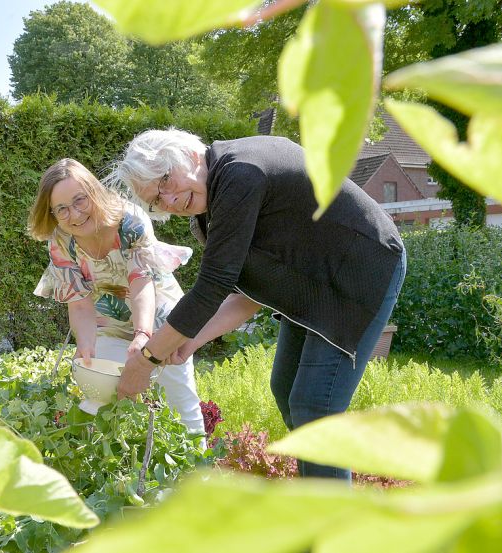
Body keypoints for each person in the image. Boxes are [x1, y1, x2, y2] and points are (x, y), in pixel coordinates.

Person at [105, 129, 407, 480]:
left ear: (187, 156)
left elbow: (212, 286)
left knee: (314, 405)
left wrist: (146, 362)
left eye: (165, 182)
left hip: (362, 268)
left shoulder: (239, 174)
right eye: (157, 201)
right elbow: (246, 295)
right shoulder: (210, 206)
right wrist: (190, 340)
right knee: (287, 388)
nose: (169, 201)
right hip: (313, 281)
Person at [28, 158, 205, 436]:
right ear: (52, 213)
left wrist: (143, 335)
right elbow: (80, 304)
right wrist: (86, 346)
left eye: (79, 201)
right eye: (61, 209)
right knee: (99, 401)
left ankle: (200, 474)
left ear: (93, 192)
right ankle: (117, 474)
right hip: (109, 323)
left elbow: (141, 283)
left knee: (179, 402)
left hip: (159, 320)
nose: (74, 215)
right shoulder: (61, 241)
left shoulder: (128, 221)